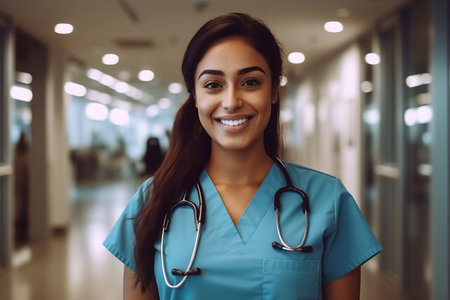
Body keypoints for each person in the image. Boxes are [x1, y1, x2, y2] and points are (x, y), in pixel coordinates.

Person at [103, 12, 382, 300]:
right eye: (213, 85)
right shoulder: (154, 200)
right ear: (195, 96)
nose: (232, 101)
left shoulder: (328, 201)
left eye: (250, 82)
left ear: (273, 90)